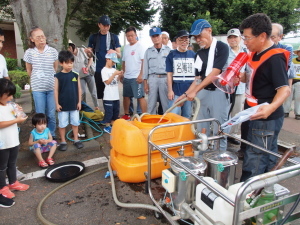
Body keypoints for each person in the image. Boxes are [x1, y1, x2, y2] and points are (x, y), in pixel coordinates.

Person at [238, 13, 290, 181]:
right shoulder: (254, 53)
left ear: (262, 36)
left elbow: (284, 89)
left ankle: (248, 194)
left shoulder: (275, 58)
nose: (244, 42)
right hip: (251, 111)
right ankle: (265, 188)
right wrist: (242, 77)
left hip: (265, 116)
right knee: (260, 152)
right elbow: (256, 77)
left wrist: (271, 107)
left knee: (256, 157)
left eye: (247, 38)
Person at [175, 19, 229, 151]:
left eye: (199, 35)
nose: (197, 39)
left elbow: (215, 72)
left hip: (219, 92)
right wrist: (185, 94)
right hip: (203, 92)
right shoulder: (199, 53)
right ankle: (202, 157)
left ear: (209, 30)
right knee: (201, 128)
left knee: (220, 129)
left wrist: (195, 91)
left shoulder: (221, 48)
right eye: (195, 37)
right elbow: (198, 78)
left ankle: (219, 161)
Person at [23, 27, 58, 139]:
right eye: (38, 37)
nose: (42, 39)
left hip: (51, 87)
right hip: (38, 89)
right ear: (32, 39)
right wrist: (37, 80)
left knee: (51, 114)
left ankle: (51, 134)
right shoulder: (29, 52)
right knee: (40, 114)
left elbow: (55, 68)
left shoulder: (52, 51)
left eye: (43, 36)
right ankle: (41, 136)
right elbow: (29, 70)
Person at [0, 78, 29, 202]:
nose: (11, 97)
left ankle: (13, 182)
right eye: (8, 95)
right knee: (2, 166)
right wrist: (16, 120)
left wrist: (19, 113)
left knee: (12, 163)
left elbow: (16, 118)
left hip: (13, 140)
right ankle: (2, 187)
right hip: (2, 143)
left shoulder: (10, 105)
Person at [85, 15, 121, 104]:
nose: (106, 27)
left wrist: (114, 52)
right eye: (104, 25)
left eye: (108, 25)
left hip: (111, 69)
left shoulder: (114, 37)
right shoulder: (94, 37)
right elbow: (90, 55)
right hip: (99, 69)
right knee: (102, 93)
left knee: (112, 91)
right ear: (99, 25)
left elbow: (119, 55)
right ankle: (107, 110)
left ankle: (111, 111)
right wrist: (88, 51)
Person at [54, 50, 84, 151]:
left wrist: (79, 102)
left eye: (71, 63)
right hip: (63, 105)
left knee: (75, 122)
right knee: (62, 124)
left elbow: (79, 89)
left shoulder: (75, 74)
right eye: (67, 63)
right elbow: (56, 91)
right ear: (61, 63)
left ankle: (76, 139)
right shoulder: (58, 76)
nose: (70, 65)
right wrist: (57, 104)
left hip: (74, 105)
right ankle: (63, 141)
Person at [166, 30, 196, 118]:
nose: (184, 42)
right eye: (181, 40)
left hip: (189, 90)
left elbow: (197, 75)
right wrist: (170, 90)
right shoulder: (171, 55)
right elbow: (169, 74)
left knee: (187, 115)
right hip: (176, 90)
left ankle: (185, 131)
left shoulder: (193, 55)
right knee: (172, 114)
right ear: (177, 41)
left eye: (186, 40)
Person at [226, 28, 247, 146]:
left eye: (235, 37)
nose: (233, 39)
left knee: (237, 112)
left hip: (240, 87)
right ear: (227, 39)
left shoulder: (245, 52)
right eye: (230, 37)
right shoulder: (225, 52)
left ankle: (232, 134)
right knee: (225, 111)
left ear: (240, 38)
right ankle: (223, 132)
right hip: (227, 87)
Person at [121, 26, 147, 120]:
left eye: (132, 35)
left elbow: (144, 62)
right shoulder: (126, 48)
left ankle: (144, 116)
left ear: (136, 35)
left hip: (136, 77)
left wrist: (141, 75)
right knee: (126, 96)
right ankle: (127, 114)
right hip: (127, 76)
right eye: (128, 36)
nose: (130, 38)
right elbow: (124, 61)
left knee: (140, 97)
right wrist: (122, 73)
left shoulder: (140, 47)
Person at [143, 27, 171, 114]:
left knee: (166, 103)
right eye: (153, 36)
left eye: (157, 36)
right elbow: (145, 68)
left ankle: (166, 124)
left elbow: (171, 69)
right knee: (151, 103)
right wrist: (145, 84)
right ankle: (152, 123)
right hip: (153, 78)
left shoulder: (168, 50)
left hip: (164, 78)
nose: (156, 38)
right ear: (151, 38)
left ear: (161, 36)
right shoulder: (148, 51)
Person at [68, 43, 99, 110]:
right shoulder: (70, 56)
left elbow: (90, 58)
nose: (69, 50)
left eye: (70, 48)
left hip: (88, 74)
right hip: (80, 76)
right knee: (83, 93)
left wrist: (87, 67)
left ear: (74, 47)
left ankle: (97, 106)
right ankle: (85, 107)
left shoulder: (82, 50)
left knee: (93, 92)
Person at [101, 53, 123, 134]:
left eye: (114, 62)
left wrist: (120, 75)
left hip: (116, 96)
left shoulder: (114, 70)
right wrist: (114, 74)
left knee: (115, 112)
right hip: (108, 96)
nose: (114, 63)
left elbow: (116, 81)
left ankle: (113, 125)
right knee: (109, 112)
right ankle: (107, 126)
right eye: (112, 61)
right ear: (107, 59)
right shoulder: (104, 70)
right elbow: (107, 82)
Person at [284, 47, 300, 120]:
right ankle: (286, 111)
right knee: (288, 97)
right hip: (291, 80)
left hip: (299, 82)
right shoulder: (293, 61)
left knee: (298, 98)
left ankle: (298, 113)